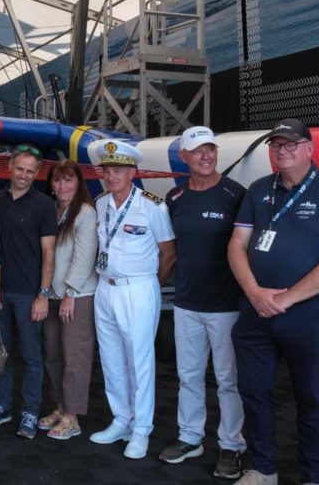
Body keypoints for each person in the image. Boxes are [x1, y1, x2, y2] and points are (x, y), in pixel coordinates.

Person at [228, 119, 319, 485]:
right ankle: (264, 470)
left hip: (307, 313)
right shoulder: (258, 189)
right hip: (256, 310)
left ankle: (312, 476)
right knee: (253, 392)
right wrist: (255, 292)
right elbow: (237, 245)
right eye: (275, 145)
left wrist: (288, 298)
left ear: (309, 149)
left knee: (311, 398)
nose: (281, 151)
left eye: (290, 144)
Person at [159, 126, 247, 478]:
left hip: (226, 306)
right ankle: (190, 437)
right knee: (189, 377)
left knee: (228, 380)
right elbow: (171, 251)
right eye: (198, 151)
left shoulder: (235, 194)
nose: (206, 156)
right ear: (184, 157)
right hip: (186, 304)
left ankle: (231, 446)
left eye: (211, 149)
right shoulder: (175, 198)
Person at [88, 140, 176, 460]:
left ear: (133, 172)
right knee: (112, 359)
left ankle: (141, 429)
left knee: (139, 362)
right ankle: (121, 419)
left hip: (138, 288)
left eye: (119, 170)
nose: (111, 176)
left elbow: (168, 253)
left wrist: (151, 285)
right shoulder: (101, 204)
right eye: (107, 170)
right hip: (105, 288)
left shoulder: (152, 206)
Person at [0, 144, 58, 439]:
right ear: (10, 168)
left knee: (31, 355)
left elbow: (49, 252)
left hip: (30, 294)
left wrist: (43, 294)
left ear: (36, 174)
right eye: (20, 169)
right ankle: (2, 405)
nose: (24, 175)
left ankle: (29, 410)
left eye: (30, 171)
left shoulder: (43, 205)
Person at [38, 160, 98, 440]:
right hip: (51, 294)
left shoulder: (85, 213)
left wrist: (70, 294)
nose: (62, 186)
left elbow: (84, 257)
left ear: (78, 183)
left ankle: (72, 418)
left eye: (68, 180)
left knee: (75, 357)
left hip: (76, 297)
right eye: (58, 180)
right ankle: (61, 408)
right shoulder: (51, 210)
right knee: (52, 354)